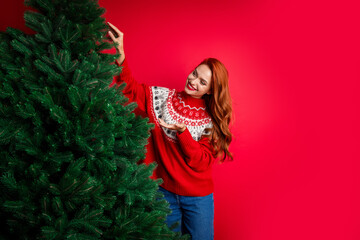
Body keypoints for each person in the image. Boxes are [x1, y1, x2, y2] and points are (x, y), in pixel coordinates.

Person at [108, 22, 233, 240]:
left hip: (197, 198)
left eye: (202, 82)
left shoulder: (212, 120)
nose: (193, 81)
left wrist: (183, 132)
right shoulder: (162, 98)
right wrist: (120, 53)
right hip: (163, 192)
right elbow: (130, 89)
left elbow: (201, 161)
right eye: (194, 73)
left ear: (211, 90)